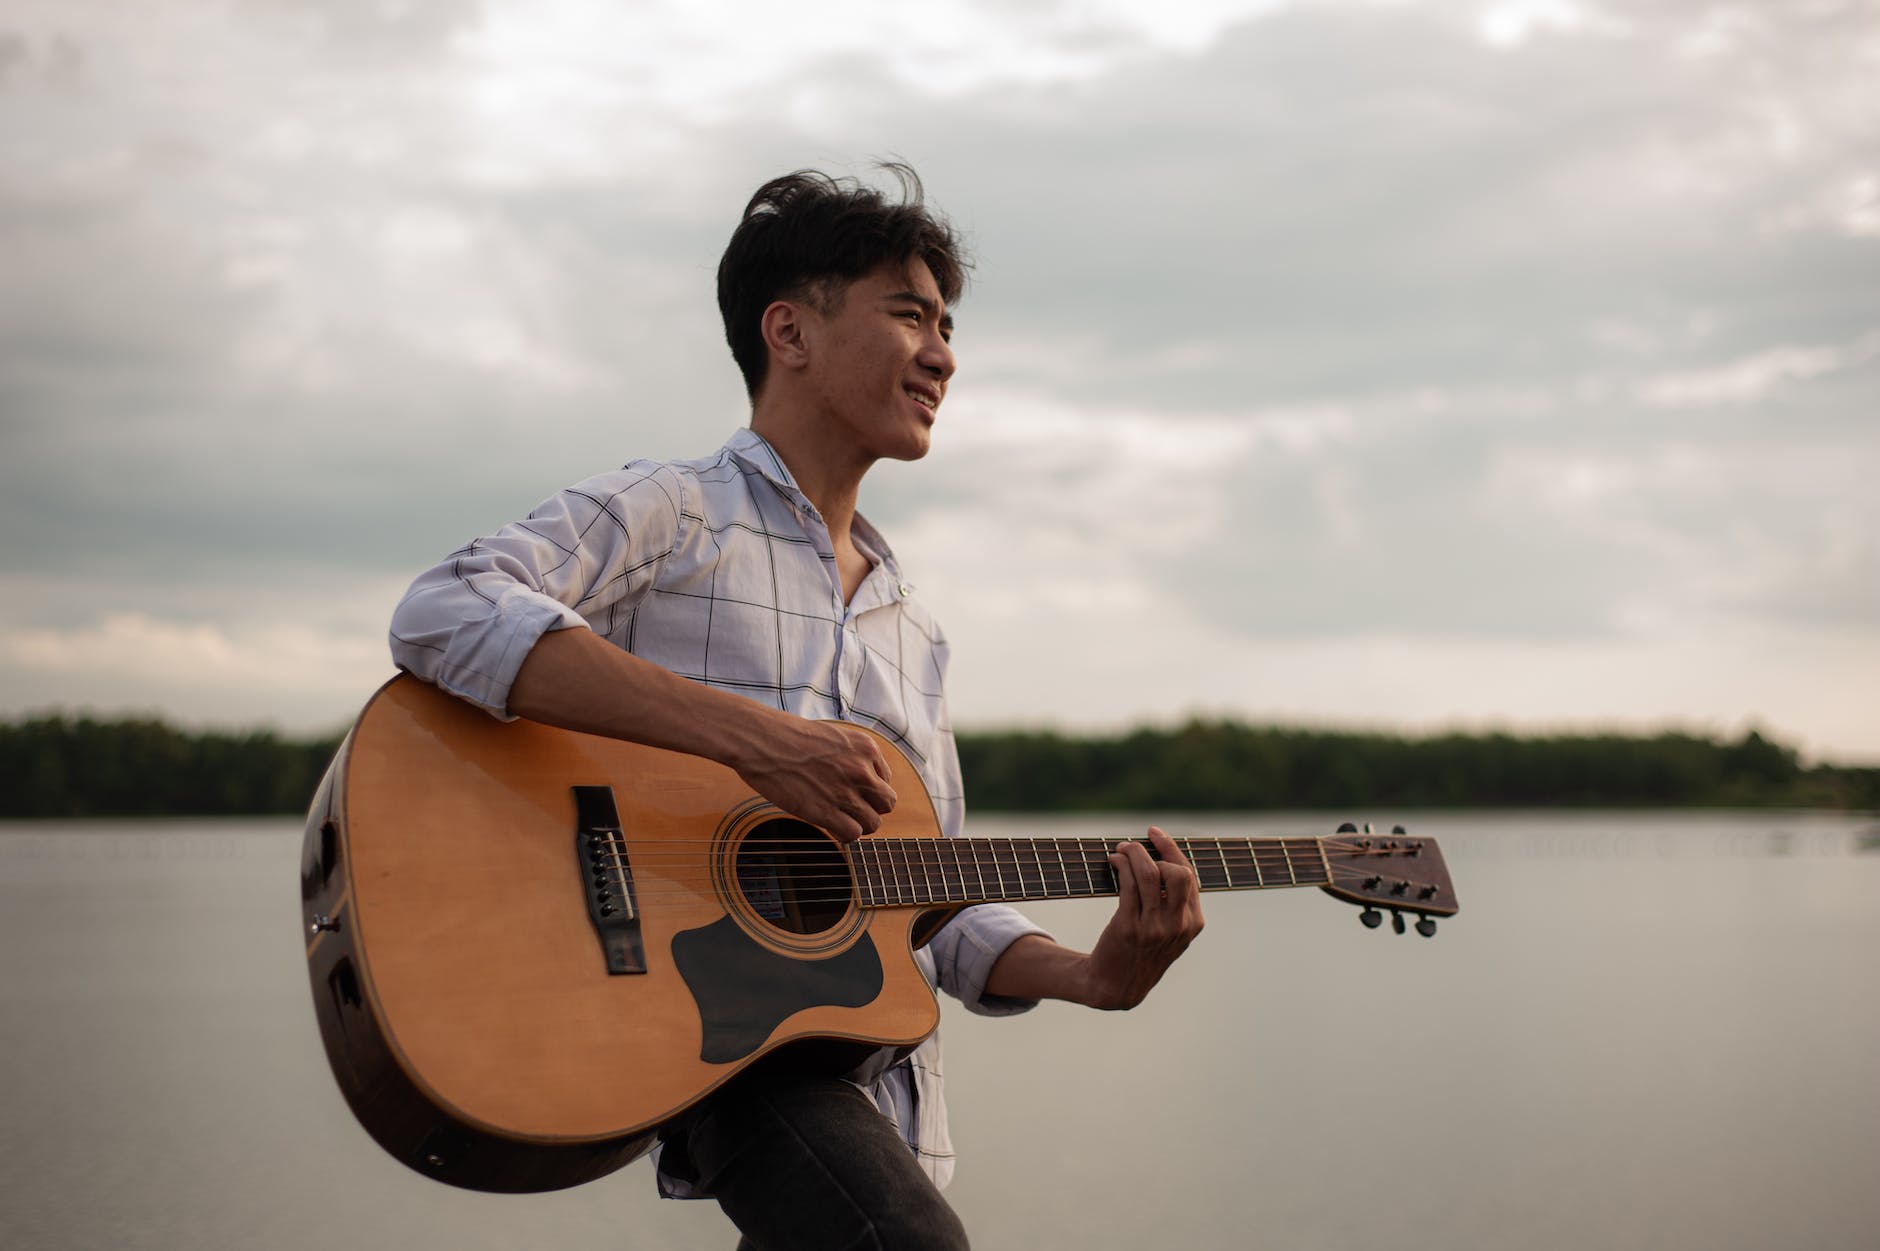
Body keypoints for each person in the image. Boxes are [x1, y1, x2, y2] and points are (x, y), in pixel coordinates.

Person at [388, 164, 1205, 1250]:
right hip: (697, 1028)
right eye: (908, 313)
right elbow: (443, 608)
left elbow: (933, 892)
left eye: (948, 325)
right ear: (790, 331)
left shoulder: (911, 626)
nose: (944, 355)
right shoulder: (673, 513)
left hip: (862, 1083)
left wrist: (1094, 976)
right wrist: (752, 739)